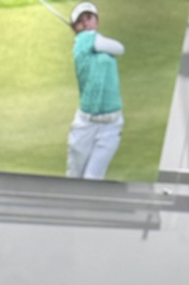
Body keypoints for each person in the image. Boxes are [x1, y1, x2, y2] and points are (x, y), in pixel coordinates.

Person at [66, 3, 126, 181]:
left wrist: (96, 36)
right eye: (80, 21)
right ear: (75, 27)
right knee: (74, 178)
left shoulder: (97, 42)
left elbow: (120, 48)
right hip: (86, 124)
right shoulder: (83, 41)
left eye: (89, 18)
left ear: (97, 21)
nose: (85, 23)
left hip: (111, 125)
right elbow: (118, 48)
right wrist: (91, 35)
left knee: (93, 178)